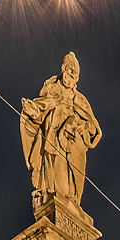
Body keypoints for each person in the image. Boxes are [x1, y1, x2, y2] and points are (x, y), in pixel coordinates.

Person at [21, 53, 103, 212]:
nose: (69, 77)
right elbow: (40, 117)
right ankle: (60, 205)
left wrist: (83, 126)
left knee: (75, 175)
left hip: (74, 142)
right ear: (63, 71)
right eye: (67, 72)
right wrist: (34, 113)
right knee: (58, 176)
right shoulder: (51, 90)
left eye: (73, 75)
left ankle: (72, 206)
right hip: (54, 139)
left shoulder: (80, 100)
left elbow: (94, 127)